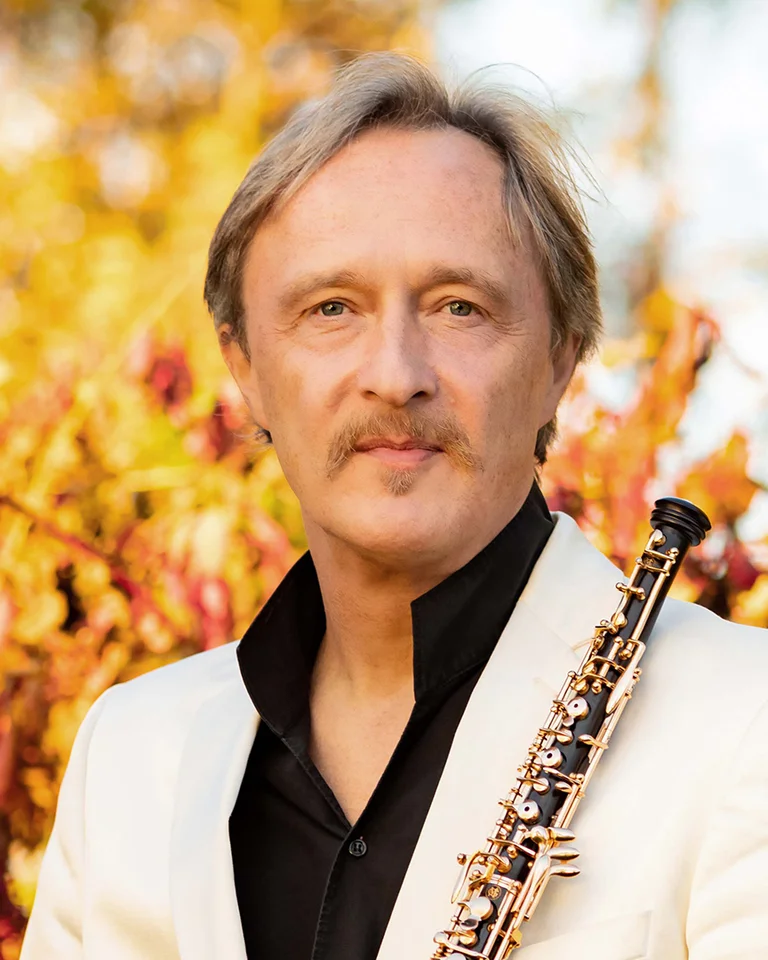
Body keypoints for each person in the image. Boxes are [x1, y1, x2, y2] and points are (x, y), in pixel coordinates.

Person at [21, 53, 768, 960]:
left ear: (562, 359)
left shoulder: (743, 721)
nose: (395, 376)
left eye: (460, 307)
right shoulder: (129, 756)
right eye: (332, 308)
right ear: (246, 367)